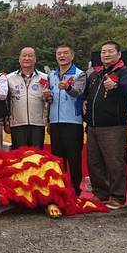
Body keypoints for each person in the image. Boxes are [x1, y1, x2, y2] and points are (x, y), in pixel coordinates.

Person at [83, 41, 127, 210]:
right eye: (103, 52)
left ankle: (118, 196)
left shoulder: (125, 72)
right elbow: (86, 95)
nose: (106, 54)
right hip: (92, 126)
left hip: (114, 127)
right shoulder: (95, 74)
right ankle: (100, 193)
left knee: (115, 162)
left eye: (110, 51)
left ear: (119, 54)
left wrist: (116, 85)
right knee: (94, 162)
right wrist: (84, 102)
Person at [44, 44, 86, 195]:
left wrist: (67, 88)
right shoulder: (52, 75)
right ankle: (59, 185)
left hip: (72, 122)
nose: (62, 56)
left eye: (65, 53)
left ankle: (75, 188)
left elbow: (78, 92)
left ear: (72, 56)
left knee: (73, 156)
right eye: (59, 53)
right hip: (55, 122)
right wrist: (47, 97)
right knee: (57, 157)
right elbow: (51, 99)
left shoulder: (79, 74)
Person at [7, 47, 48, 149]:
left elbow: (49, 102)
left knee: (37, 157)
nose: (27, 58)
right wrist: (6, 122)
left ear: (35, 59)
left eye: (30, 56)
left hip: (37, 124)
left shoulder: (44, 78)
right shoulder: (9, 78)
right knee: (19, 158)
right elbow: (6, 102)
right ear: (19, 59)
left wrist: (48, 97)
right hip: (17, 124)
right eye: (24, 55)